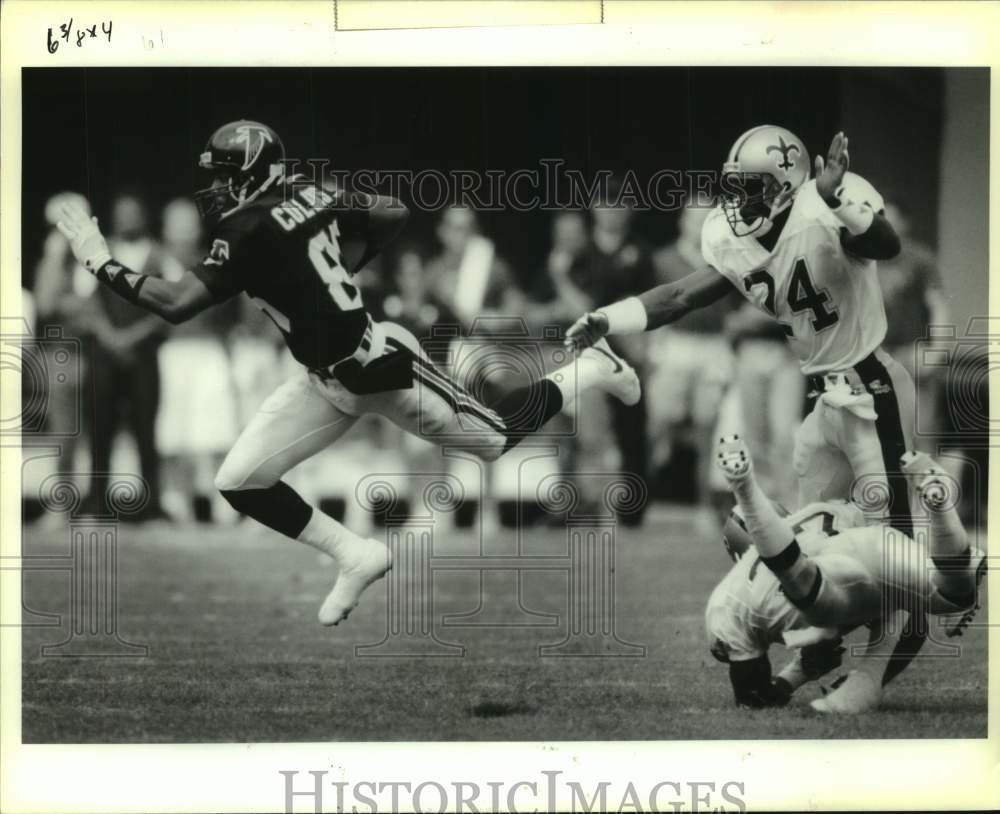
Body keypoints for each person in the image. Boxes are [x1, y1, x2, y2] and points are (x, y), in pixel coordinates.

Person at [56, 119, 641, 627]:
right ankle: (354, 554)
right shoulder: (309, 191)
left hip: (379, 364)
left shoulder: (248, 230)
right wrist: (346, 261)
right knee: (239, 480)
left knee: (492, 440)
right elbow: (392, 210)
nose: (217, 188)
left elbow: (175, 303)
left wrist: (97, 259)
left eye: (227, 175)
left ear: (255, 172)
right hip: (325, 379)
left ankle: (587, 366)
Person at [566, 125, 924, 677]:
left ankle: (914, 625)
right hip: (824, 393)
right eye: (733, 187)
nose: (736, 201)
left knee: (895, 543)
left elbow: (886, 245)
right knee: (814, 535)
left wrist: (837, 202)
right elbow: (680, 296)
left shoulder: (821, 208)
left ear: (784, 186)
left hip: (873, 384)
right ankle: (821, 646)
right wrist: (607, 319)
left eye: (750, 187)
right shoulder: (733, 239)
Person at [707, 434, 984, 713]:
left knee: (810, 594)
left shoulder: (728, 601)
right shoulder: (817, 512)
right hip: (874, 544)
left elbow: (755, 696)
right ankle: (946, 523)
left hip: (828, 581)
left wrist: (795, 674)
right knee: (951, 595)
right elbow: (909, 623)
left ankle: (744, 488)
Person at [85, 193, 173, 520]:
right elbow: (87, 301)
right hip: (104, 355)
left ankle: (150, 505)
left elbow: (171, 304)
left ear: (144, 216)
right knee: (100, 427)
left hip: (143, 355)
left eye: (133, 213)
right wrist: (110, 336)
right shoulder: (97, 252)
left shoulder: (159, 255)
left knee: (146, 429)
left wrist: (132, 337)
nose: (127, 220)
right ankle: (97, 503)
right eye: (121, 213)